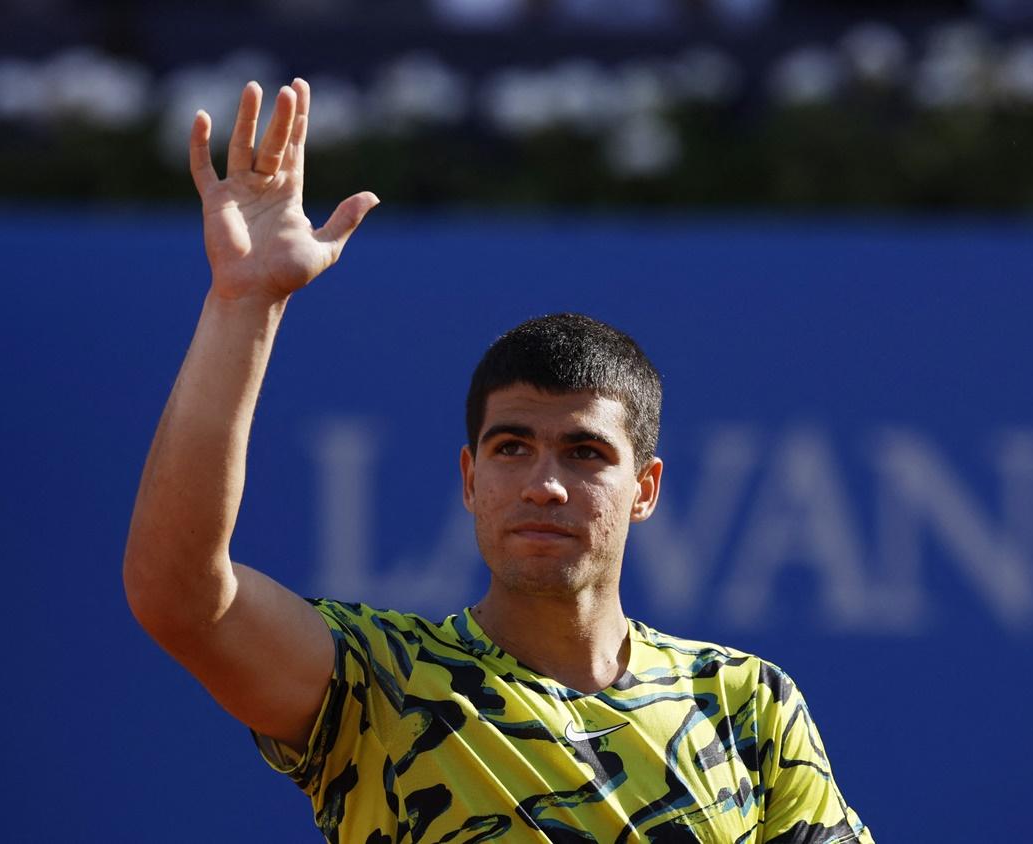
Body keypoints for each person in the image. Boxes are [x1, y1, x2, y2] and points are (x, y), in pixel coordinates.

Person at [123, 78, 873, 843]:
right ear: (470, 480)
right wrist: (244, 304)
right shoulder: (381, 684)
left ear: (645, 488)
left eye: (585, 454)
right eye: (512, 448)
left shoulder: (746, 703)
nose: (545, 485)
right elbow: (180, 596)